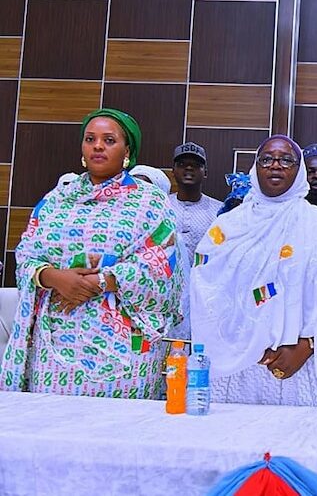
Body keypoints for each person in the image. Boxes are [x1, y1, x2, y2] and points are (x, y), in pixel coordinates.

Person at [0, 108, 183, 398]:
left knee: (116, 434)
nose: (98, 146)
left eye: (109, 140)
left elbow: (162, 263)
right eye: (90, 139)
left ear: (127, 151)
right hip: (56, 347)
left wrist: (100, 282)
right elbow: (26, 254)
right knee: (53, 431)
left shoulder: (150, 202)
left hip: (124, 350)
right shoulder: (56, 199)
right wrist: (54, 277)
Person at [190, 135, 317, 408]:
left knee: (290, 445)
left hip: (294, 364)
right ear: (255, 168)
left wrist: (307, 345)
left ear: (299, 170)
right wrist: (240, 338)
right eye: (267, 159)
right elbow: (203, 285)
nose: (276, 165)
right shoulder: (228, 227)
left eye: (286, 160)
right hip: (235, 363)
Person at [169, 141, 222, 339]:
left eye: (196, 164)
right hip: (167, 295)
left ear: (205, 172)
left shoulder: (219, 211)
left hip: (206, 298)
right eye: (182, 164)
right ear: (173, 171)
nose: (189, 168)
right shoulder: (160, 207)